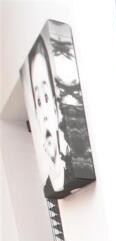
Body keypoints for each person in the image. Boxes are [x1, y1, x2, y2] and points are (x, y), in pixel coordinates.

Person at [27, 36, 67, 196]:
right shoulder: (48, 188)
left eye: (45, 98)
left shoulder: (75, 164)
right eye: (38, 101)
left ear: (56, 108)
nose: (43, 114)